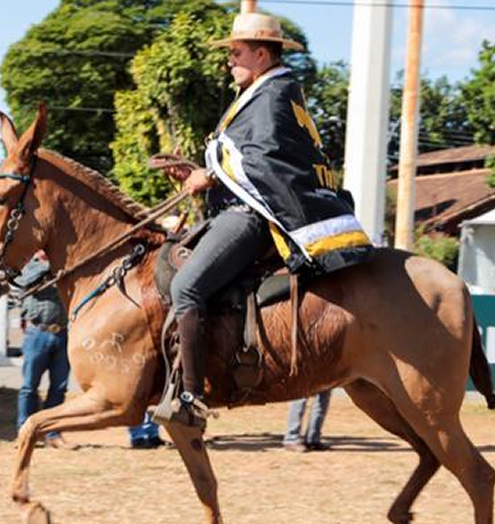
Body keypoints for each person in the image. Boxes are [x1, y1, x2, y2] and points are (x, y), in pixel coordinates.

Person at [155, 13, 374, 427]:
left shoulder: (272, 95)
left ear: (260, 54)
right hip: (242, 206)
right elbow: (254, 158)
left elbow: (264, 161)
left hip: (253, 218)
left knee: (186, 287)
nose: (229, 61)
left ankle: (190, 395)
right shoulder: (269, 91)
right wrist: (201, 174)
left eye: (236, 53)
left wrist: (212, 173)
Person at [15, 251, 70, 449]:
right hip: (37, 332)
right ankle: (24, 431)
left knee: (59, 388)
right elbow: (27, 280)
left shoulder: (65, 265)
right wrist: (53, 266)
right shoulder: (31, 265)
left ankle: (52, 433)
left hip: (63, 333)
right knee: (29, 386)